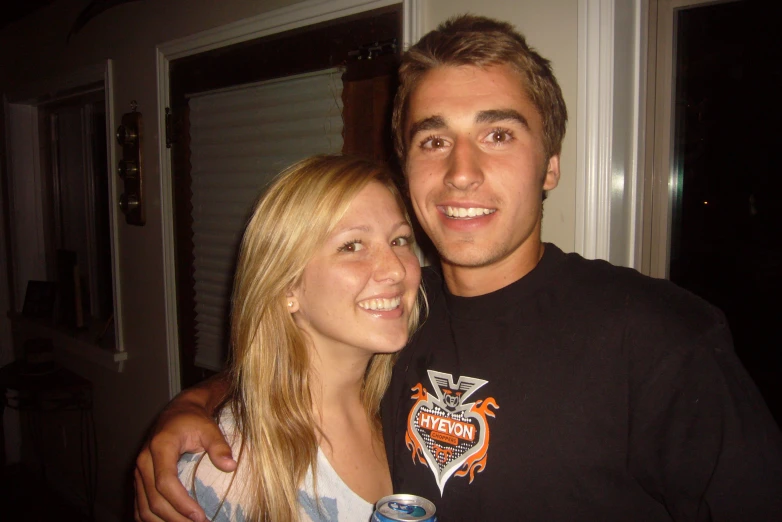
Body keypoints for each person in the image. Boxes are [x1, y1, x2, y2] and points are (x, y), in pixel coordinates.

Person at [136, 14, 782, 522]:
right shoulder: (396, 313)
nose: (461, 172)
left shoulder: (659, 336)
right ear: (406, 165)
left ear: (549, 165)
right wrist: (189, 406)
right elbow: (291, 360)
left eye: (498, 134)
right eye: (434, 139)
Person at [140, 155, 425, 522]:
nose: (396, 268)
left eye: (400, 239)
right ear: (287, 285)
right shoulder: (224, 474)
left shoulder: (410, 404)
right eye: (352, 245)